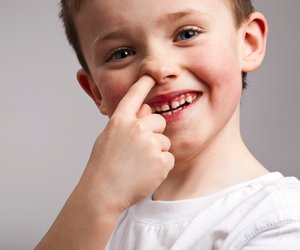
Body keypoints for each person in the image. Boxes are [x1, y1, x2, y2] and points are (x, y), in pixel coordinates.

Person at [36, 0, 300, 249]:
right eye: (122, 53)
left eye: (186, 34)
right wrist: (97, 196)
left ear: (248, 44)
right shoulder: (99, 218)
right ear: (96, 92)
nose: (158, 67)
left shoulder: (281, 220)